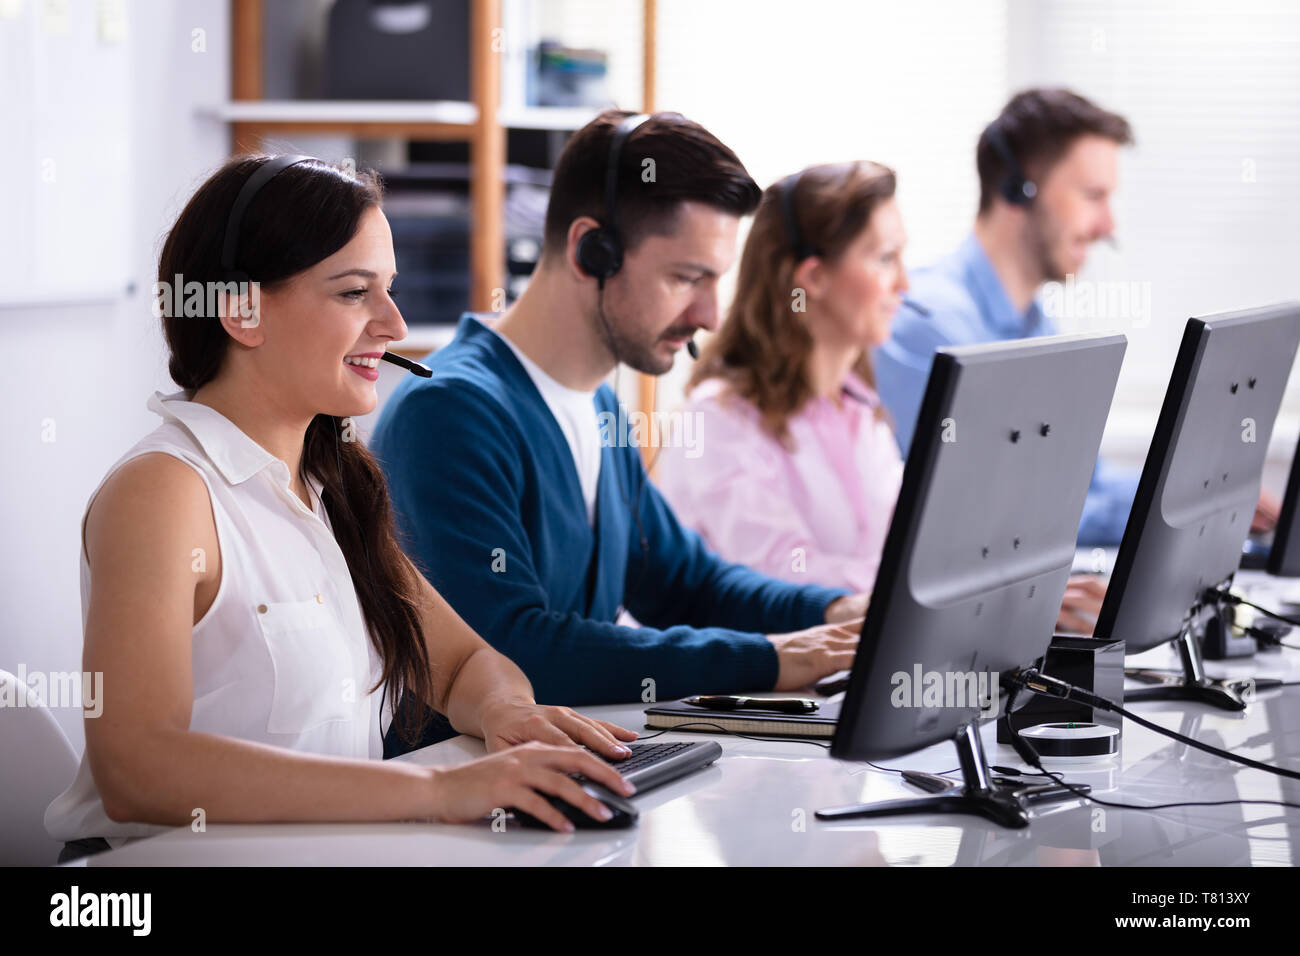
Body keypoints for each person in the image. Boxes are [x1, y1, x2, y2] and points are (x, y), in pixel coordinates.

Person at [45, 156, 643, 859]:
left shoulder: (330, 487)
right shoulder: (164, 493)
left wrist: (508, 714)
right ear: (241, 310)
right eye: (356, 292)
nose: (392, 323)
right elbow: (136, 769)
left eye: (389, 289)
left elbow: (457, 666)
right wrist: (438, 793)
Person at [370, 112, 865, 747]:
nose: (711, 315)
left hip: (560, 783)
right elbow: (518, 650)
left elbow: (686, 583)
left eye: (717, 282)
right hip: (457, 802)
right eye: (686, 278)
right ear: (590, 251)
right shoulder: (449, 412)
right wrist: (771, 658)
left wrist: (834, 614)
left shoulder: (597, 406)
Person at [658, 161, 1107, 634]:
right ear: (813, 277)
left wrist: (1010, 588)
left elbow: (915, 548)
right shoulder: (720, 419)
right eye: (884, 259)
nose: (904, 286)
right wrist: (970, 594)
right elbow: (785, 576)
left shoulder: (857, 408)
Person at [874, 88, 1151, 546]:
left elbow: (1085, 480)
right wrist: (1158, 508)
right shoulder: (926, 328)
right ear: (1016, 189)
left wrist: (1197, 489)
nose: (1108, 226)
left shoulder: (1036, 327)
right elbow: (989, 518)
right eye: (1092, 196)